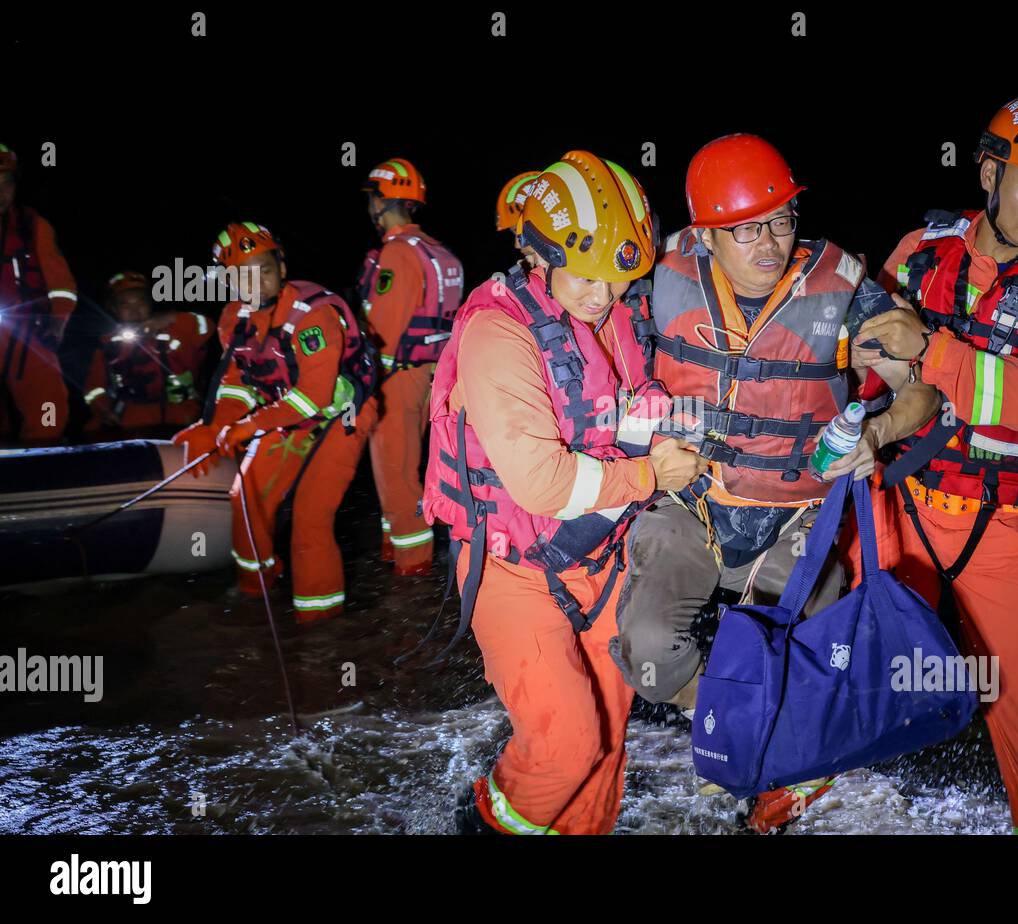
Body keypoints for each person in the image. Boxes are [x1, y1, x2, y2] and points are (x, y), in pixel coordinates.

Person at [610, 133, 940, 830]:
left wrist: (877, 432)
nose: (770, 242)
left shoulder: (841, 285)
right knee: (644, 651)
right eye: (747, 229)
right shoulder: (659, 277)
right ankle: (725, 714)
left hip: (796, 515)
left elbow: (922, 390)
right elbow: (587, 335)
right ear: (705, 234)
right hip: (694, 503)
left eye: (782, 220)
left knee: (807, 662)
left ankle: (789, 768)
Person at [422, 151, 706, 834]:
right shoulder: (499, 332)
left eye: (618, 280)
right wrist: (650, 474)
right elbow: (542, 482)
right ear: (540, 258)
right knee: (566, 745)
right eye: (588, 277)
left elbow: (637, 401)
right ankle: (483, 821)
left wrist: (679, 426)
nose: (604, 296)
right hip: (512, 571)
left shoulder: (608, 314)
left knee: (606, 746)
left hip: (600, 563)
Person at [860, 89, 1018, 834]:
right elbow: (865, 362)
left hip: (1005, 528)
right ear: (988, 173)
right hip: (901, 502)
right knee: (839, 654)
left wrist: (929, 349)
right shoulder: (919, 249)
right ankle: (787, 798)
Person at [173, 222, 379, 623]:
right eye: (241, 274)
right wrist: (214, 427)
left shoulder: (313, 314)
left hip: (342, 415)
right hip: (287, 415)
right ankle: (256, 591)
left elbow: (315, 396)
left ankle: (320, 625)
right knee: (245, 494)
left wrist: (249, 428)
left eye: (263, 269)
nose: (256, 282)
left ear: (282, 267)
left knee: (310, 516)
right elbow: (238, 385)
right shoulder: (233, 320)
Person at [356, 158, 464, 575]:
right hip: (431, 375)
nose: (369, 209)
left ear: (383, 202)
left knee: (396, 474)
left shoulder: (397, 254)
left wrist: (364, 382)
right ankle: (394, 547)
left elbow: (384, 327)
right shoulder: (441, 252)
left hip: (397, 378)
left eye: (371, 200)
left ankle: (412, 568)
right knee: (406, 467)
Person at [0, 143, 78, 445]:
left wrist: (56, 324)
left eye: (6, 184)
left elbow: (62, 284)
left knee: (50, 403)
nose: (1, 192)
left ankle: (40, 463)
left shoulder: (34, 225)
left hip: (24, 329)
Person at [82, 270, 215, 435]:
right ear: (114, 309)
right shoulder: (107, 344)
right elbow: (93, 388)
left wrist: (172, 317)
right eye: (125, 304)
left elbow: (208, 327)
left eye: (141, 302)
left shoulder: (176, 328)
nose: (135, 310)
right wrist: (102, 408)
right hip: (132, 419)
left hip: (184, 417)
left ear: (150, 304)